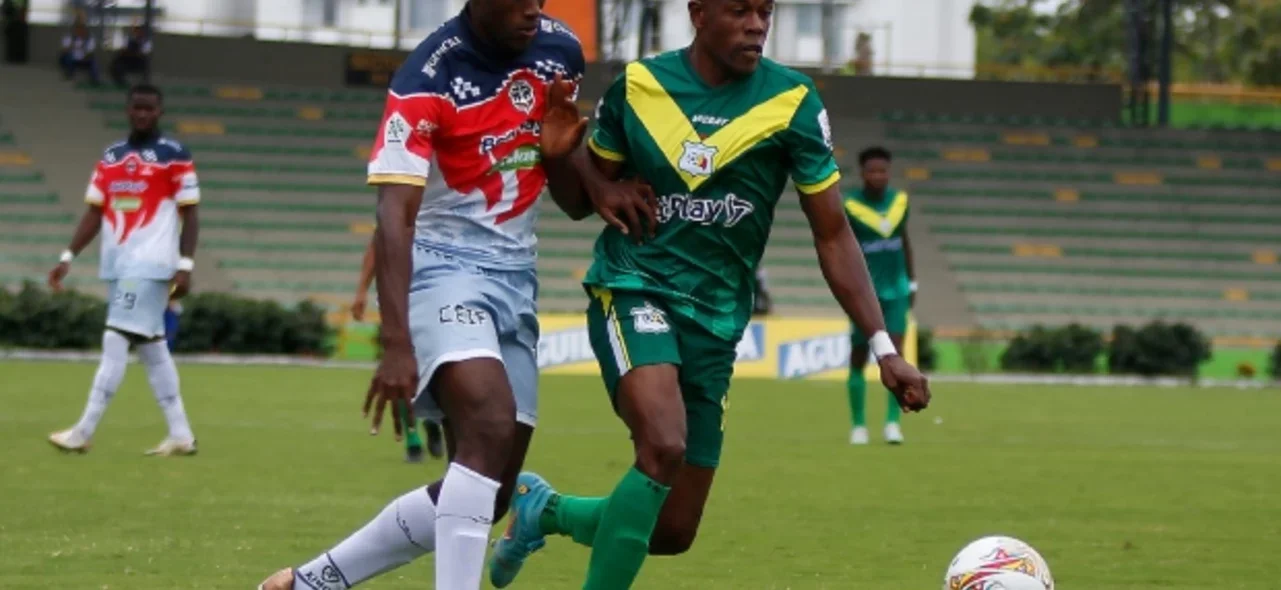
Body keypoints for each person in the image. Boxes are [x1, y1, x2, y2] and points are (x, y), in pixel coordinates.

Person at [487, 0, 932, 586]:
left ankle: (543, 511)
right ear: (698, 13)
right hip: (634, 287)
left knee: (671, 530)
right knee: (663, 445)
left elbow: (832, 233)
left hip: (717, 322)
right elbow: (577, 202)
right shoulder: (642, 86)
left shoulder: (792, 103)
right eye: (740, 11)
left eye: (765, 11)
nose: (757, 24)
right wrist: (565, 158)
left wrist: (884, 347)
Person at [255, 0, 647, 587]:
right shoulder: (426, 76)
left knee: (487, 493)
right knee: (489, 424)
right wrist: (394, 342)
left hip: (517, 278)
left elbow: (568, 202)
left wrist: (572, 163)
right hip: (441, 268)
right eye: (518, 3)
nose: (533, 14)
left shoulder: (559, 50)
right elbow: (394, 216)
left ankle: (310, 582)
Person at [47, 83, 200, 457]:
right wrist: (68, 255)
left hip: (150, 265)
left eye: (150, 108)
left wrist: (185, 264)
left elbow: (191, 212)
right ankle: (181, 434)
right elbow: (95, 212)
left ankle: (83, 431)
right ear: (128, 110)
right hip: (118, 264)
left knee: (115, 339)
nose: (143, 114)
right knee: (152, 348)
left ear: (160, 112)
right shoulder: (112, 156)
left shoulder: (174, 156)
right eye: (137, 107)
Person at [843, 146, 916, 445]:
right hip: (864, 294)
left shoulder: (900, 201)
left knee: (895, 356)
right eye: (872, 171)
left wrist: (913, 283)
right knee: (859, 357)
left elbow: (904, 241)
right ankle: (859, 425)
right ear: (862, 173)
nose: (878, 176)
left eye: (883, 170)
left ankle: (892, 423)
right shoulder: (849, 205)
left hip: (896, 290)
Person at [351, 235, 445, 463]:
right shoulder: (398, 207)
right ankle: (413, 441)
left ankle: (432, 419)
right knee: (398, 369)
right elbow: (377, 243)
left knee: (432, 369)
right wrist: (361, 290)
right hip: (396, 301)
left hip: (433, 298)